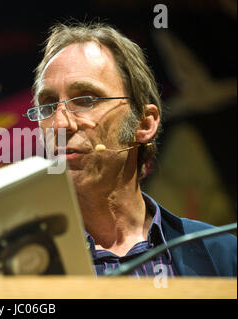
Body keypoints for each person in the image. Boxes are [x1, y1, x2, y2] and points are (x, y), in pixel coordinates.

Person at [24, 21, 236, 277]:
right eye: (47, 106)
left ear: (144, 123)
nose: (59, 123)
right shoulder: (16, 271)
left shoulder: (223, 256)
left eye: (86, 100)